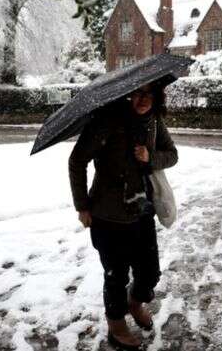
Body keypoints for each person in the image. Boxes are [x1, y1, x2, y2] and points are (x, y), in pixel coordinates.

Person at [68, 82, 178, 350]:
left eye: (148, 94)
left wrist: (149, 156)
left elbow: (172, 155)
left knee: (149, 271)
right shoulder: (106, 122)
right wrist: (82, 206)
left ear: (156, 97)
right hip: (108, 215)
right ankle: (116, 325)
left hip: (142, 211)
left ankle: (135, 301)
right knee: (116, 275)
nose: (142, 99)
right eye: (137, 93)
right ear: (126, 96)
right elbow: (76, 161)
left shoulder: (153, 123)